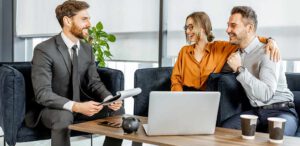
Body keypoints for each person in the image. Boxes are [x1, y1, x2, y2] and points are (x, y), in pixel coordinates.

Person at [29, 1, 123, 146]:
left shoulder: (87, 49)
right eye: (84, 19)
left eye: (89, 19)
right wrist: (76, 106)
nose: (90, 24)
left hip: (81, 105)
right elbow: (43, 94)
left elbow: (94, 82)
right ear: (67, 20)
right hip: (51, 109)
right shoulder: (44, 50)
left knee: (118, 110)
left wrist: (109, 98)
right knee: (64, 116)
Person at [222, 6, 298, 136]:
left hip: (281, 111)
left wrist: (239, 69)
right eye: (228, 25)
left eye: (233, 25)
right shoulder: (236, 54)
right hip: (255, 112)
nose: (227, 30)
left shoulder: (268, 52)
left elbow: (266, 94)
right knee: (223, 132)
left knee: (276, 138)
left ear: (249, 28)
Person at [171, 12, 279, 91]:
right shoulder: (184, 51)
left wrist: (269, 40)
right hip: (186, 96)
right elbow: (176, 79)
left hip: (209, 99)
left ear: (203, 28)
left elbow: (247, 40)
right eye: (186, 28)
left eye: (190, 27)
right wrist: (180, 99)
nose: (187, 31)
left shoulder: (221, 47)